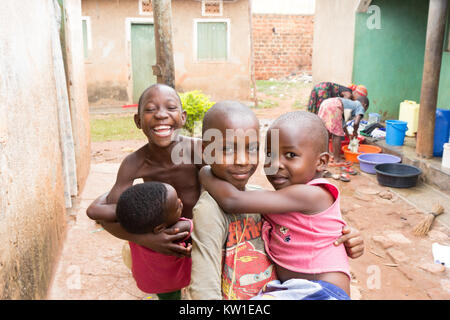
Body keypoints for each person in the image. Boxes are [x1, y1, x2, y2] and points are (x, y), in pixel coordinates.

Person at [189, 103, 365, 300]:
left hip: (319, 291)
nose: (275, 164)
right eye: (270, 154)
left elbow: (232, 200)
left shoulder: (311, 195)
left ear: (321, 162)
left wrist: (205, 172)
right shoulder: (259, 201)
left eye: (290, 155)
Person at [86, 83, 202, 260]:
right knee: (164, 284)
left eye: (171, 108)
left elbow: (219, 201)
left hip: (203, 233)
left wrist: (197, 227)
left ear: (183, 117)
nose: (161, 114)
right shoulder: (134, 163)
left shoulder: (198, 150)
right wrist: (145, 239)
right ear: (138, 121)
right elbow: (107, 218)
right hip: (159, 236)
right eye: (150, 109)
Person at [115, 182, 192, 300]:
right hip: (172, 283)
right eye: (177, 207)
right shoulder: (177, 231)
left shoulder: (134, 227)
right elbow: (198, 227)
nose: (180, 202)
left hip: (147, 279)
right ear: (160, 228)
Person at [318, 95, 369, 167]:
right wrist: (355, 132)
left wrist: (348, 135)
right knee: (337, 134)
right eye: (365, 109)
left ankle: (327, 155)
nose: (363, 111)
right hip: (335, 105)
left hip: (326, 103)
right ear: (364, 105)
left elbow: (342, 123)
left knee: (327, 132)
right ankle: (337, 160)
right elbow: (356, 122)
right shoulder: (360, 106)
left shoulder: (349, 105)